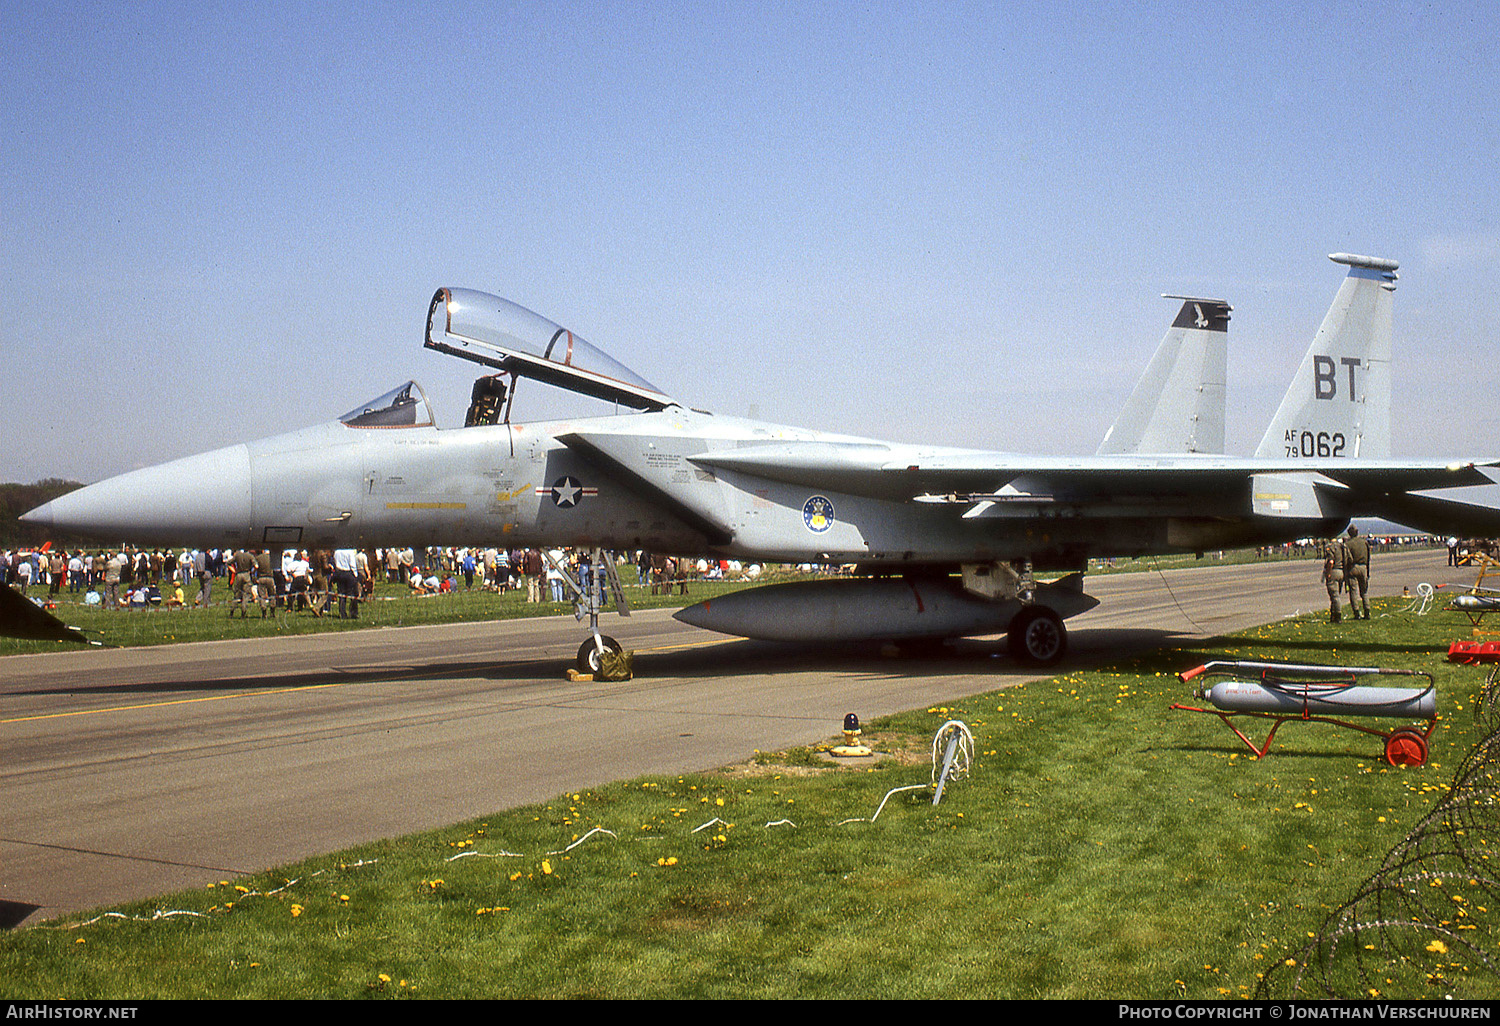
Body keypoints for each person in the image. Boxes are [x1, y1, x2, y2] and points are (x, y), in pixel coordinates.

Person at [1344, 525, 1372, 620]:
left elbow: (1346, 559)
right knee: (1364, 591)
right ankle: (1367, 612)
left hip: (1353, 568)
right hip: (1363, 567)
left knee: (1353, 591)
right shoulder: (1364, 542)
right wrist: (1367, 571)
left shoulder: (1348, 544)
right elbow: (1368, 558)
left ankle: (1356, 613)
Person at [1322, 534, 1347, 623]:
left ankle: (1337, 616)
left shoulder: (1331, 547)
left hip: (1334, 571)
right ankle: (1333, 615)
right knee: (1336, 595)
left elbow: (1330, 561)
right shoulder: (1342, 546)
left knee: (1334, 596)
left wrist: (1328, 573)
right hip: (1341, 571)